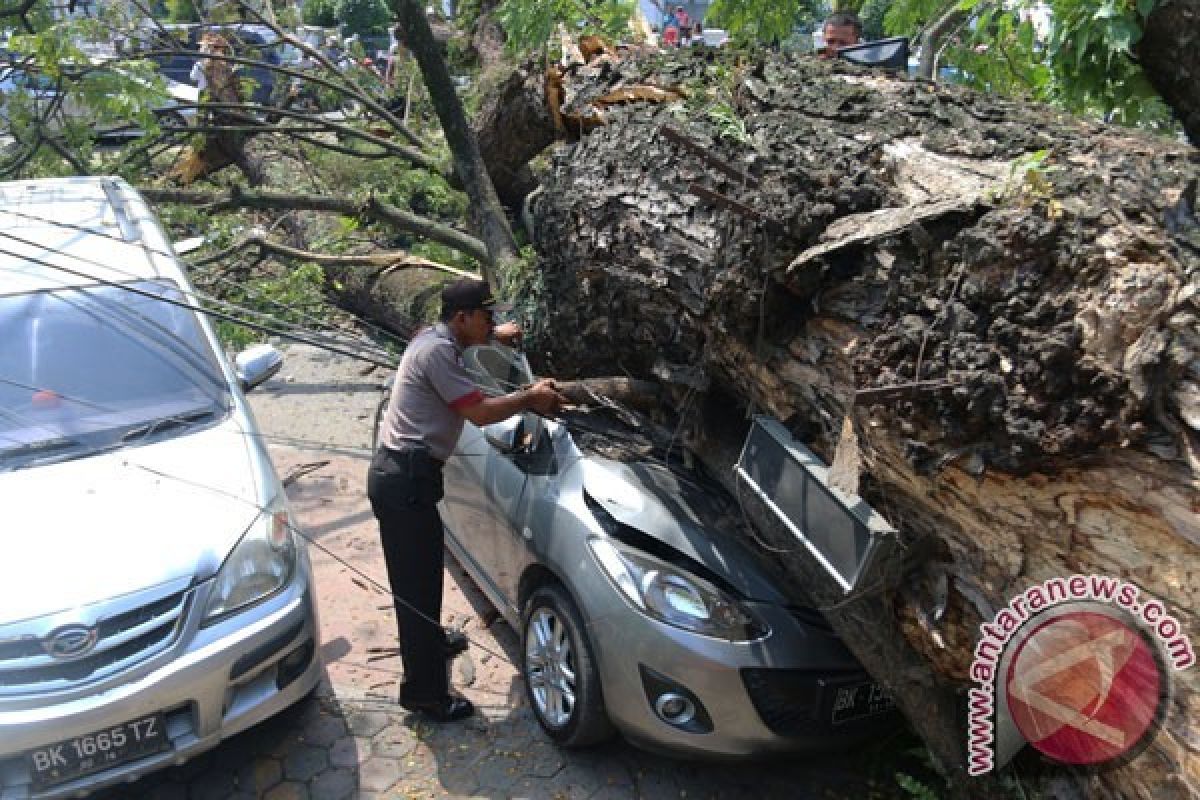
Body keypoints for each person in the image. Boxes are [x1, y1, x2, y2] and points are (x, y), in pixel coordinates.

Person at [367, 278, 567, 722]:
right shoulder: (438, 351)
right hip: (405, 481)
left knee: (423, 578)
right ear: (462, 318)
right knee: (415, 590)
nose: (493, 322)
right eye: (486, 316)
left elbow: (462, 339)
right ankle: (425, 695)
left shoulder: (434, 336)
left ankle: (432, 645)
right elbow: (478, 411)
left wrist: (494, 336)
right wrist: (529, 399)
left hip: (409, 477)